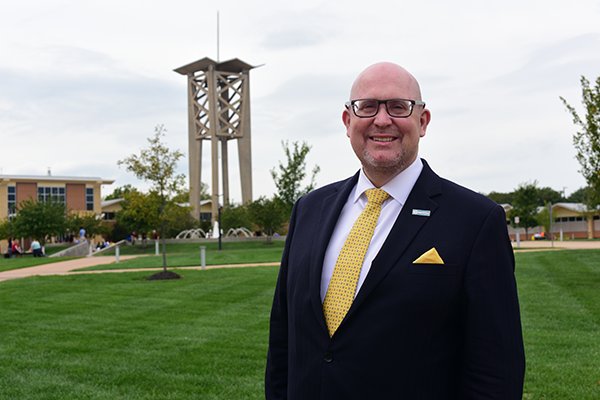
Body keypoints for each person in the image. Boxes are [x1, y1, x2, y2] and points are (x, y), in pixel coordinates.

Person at [265, 62, 525, 399]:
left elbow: (496, 370)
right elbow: (283, 340)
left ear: (423, 121)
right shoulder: (309, 210)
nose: (382, 119)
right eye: (367, 106)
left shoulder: (475, 220)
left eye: (399, 107)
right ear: (348, 121)